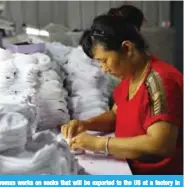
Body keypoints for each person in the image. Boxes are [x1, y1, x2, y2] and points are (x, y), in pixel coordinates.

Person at [61, 12, 183, 174]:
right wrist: (86, 124)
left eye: (104, 60)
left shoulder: (160, 82)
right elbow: (116, 116)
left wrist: (99, 144)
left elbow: (160, 144)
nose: (104, 69)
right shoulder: (130, 78)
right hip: (127, 165)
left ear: (127, 48)